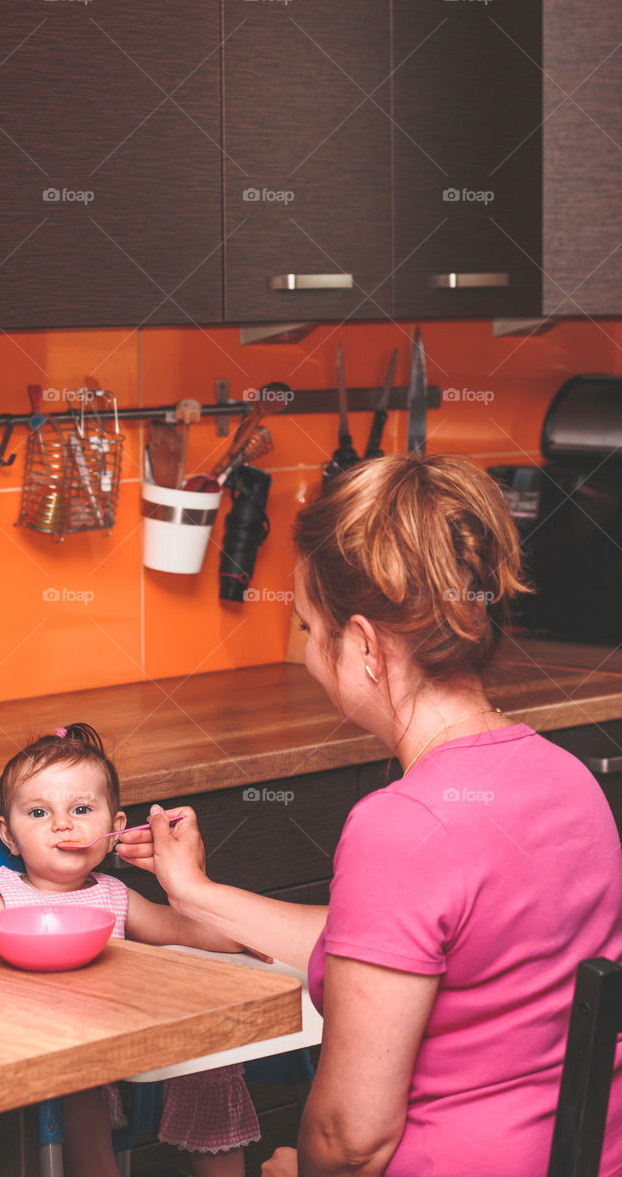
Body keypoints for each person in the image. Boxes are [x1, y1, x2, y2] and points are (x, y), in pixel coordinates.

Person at [118, 453, 622, 1177]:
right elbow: (393, 945)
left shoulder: (402, 826)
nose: (308, 656)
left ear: (361, 646)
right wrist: (197, 895)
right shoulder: (564, 778)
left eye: (305, 628)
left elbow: (350, 1141)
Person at [0, 723, 259, 1177]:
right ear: (8, 835)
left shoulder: (114, 895)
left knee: (210, 1057)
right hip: (49, 1054)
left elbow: (177, 929)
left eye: (82, 808)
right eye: (38, 813)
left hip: (123, 1038)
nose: (63, 824)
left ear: (115, 828)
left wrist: (248, 936)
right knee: (79, 1095)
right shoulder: (2, 899)